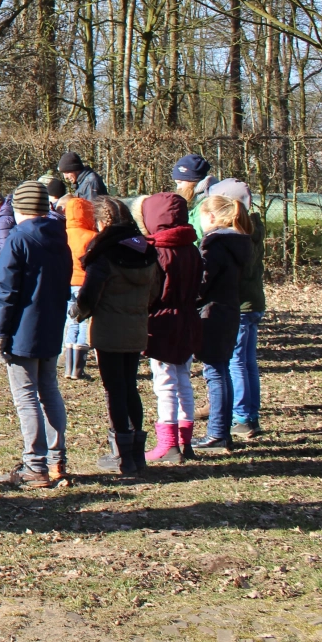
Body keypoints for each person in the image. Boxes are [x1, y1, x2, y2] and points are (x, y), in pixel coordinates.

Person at [0, 180, 72, 489]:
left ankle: (34, 466)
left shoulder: (17, 239)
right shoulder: (59, 237)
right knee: (49, 391)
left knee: (26, 397)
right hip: (52, 325)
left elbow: (7, 290)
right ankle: (56, 462)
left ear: (19, 208)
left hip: (23, 329)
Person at [73, 196, 159, 477]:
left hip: (109, 328)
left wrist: (78, 312)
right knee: (130, 386)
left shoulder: (104, 253)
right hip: (136, 327)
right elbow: (156, 291)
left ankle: (121, 455)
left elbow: (89, 294)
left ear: (103, 221)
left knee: (114, 390)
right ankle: (136, 453)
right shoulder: (146, 250)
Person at [140, 191, 203, 464]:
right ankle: (184, 441)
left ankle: (168, 444)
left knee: (164, 383)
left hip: (163, 321)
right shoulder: (192, 248)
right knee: (184, 380)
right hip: (188, 319)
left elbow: (152, 292)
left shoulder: (157, 251)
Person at [194, 195, 254, 455]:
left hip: (213, 312)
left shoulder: (214, 245)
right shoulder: (239, 242)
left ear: (210, 217)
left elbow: (203, 283)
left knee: (215, 372)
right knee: (222, 371)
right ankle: (221, 432)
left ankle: (218, 434)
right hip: (228, 311)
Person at [208, 179, 265, 439]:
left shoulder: (231, 239)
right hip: (253, 303)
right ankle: (250, 415)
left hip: (239, 305)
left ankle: (242, 416)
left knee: (236, 363)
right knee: (247, 362)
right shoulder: (251, 230)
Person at [61, 196, 98, 380]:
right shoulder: (92, 236)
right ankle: (78, 368)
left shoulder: (62, 234)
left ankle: (68, 366)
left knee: (71, 320)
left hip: (67, 282)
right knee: (84, 321)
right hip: (84, 283)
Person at [172, 154, 214, 237]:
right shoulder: (194, 201)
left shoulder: (207, 205)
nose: (178, 188)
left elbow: (197, 238)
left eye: (180, 183)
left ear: (193, 181)